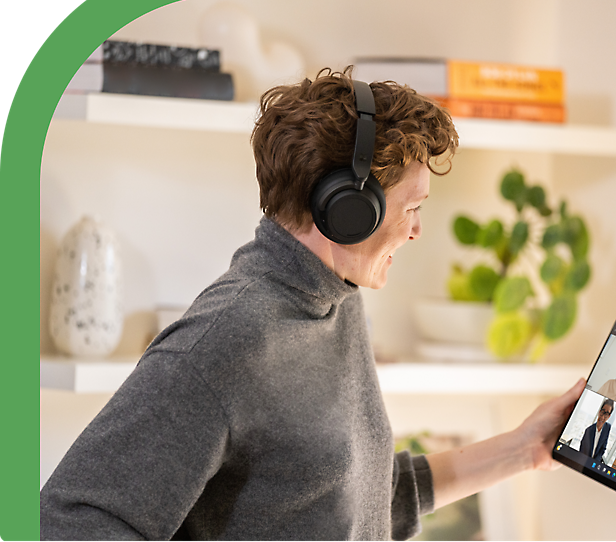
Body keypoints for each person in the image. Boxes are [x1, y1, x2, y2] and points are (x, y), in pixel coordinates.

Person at [40, 68, 585, 542]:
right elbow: (71, 522)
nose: (418, 230)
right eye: (412, 206)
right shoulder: (228, 342)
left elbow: (361, 502)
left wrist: (523, 447)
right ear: (348, 210)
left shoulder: (334, 301)